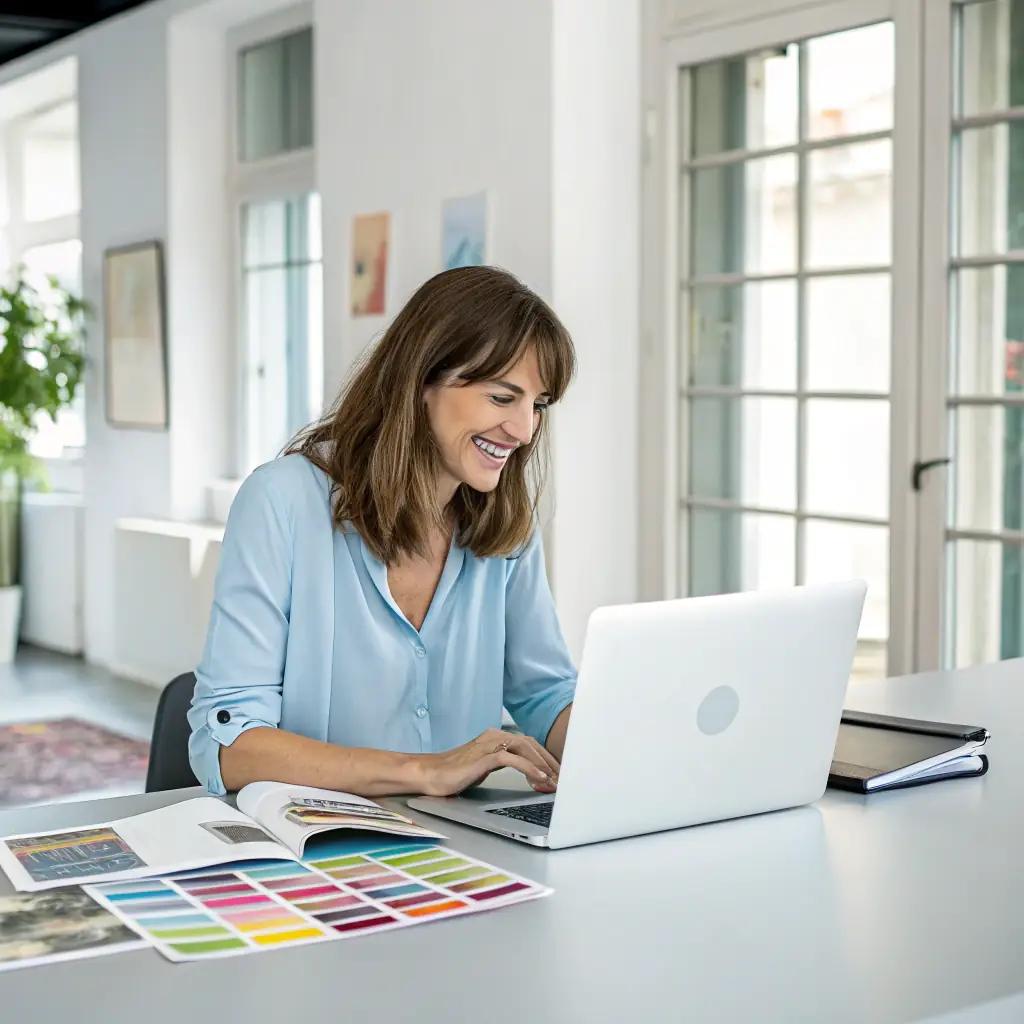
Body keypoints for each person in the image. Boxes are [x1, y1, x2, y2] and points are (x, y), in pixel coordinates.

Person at [187, 266, 578, 800]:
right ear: (422, 381)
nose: (524, 429)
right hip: (314, 845)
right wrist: (423, 770)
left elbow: (545, 693)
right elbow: (228, 744)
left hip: (462, 847)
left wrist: (622, 746)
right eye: (502, 398)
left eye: (538, 405)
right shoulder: (282, 502)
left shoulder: (505, 525)